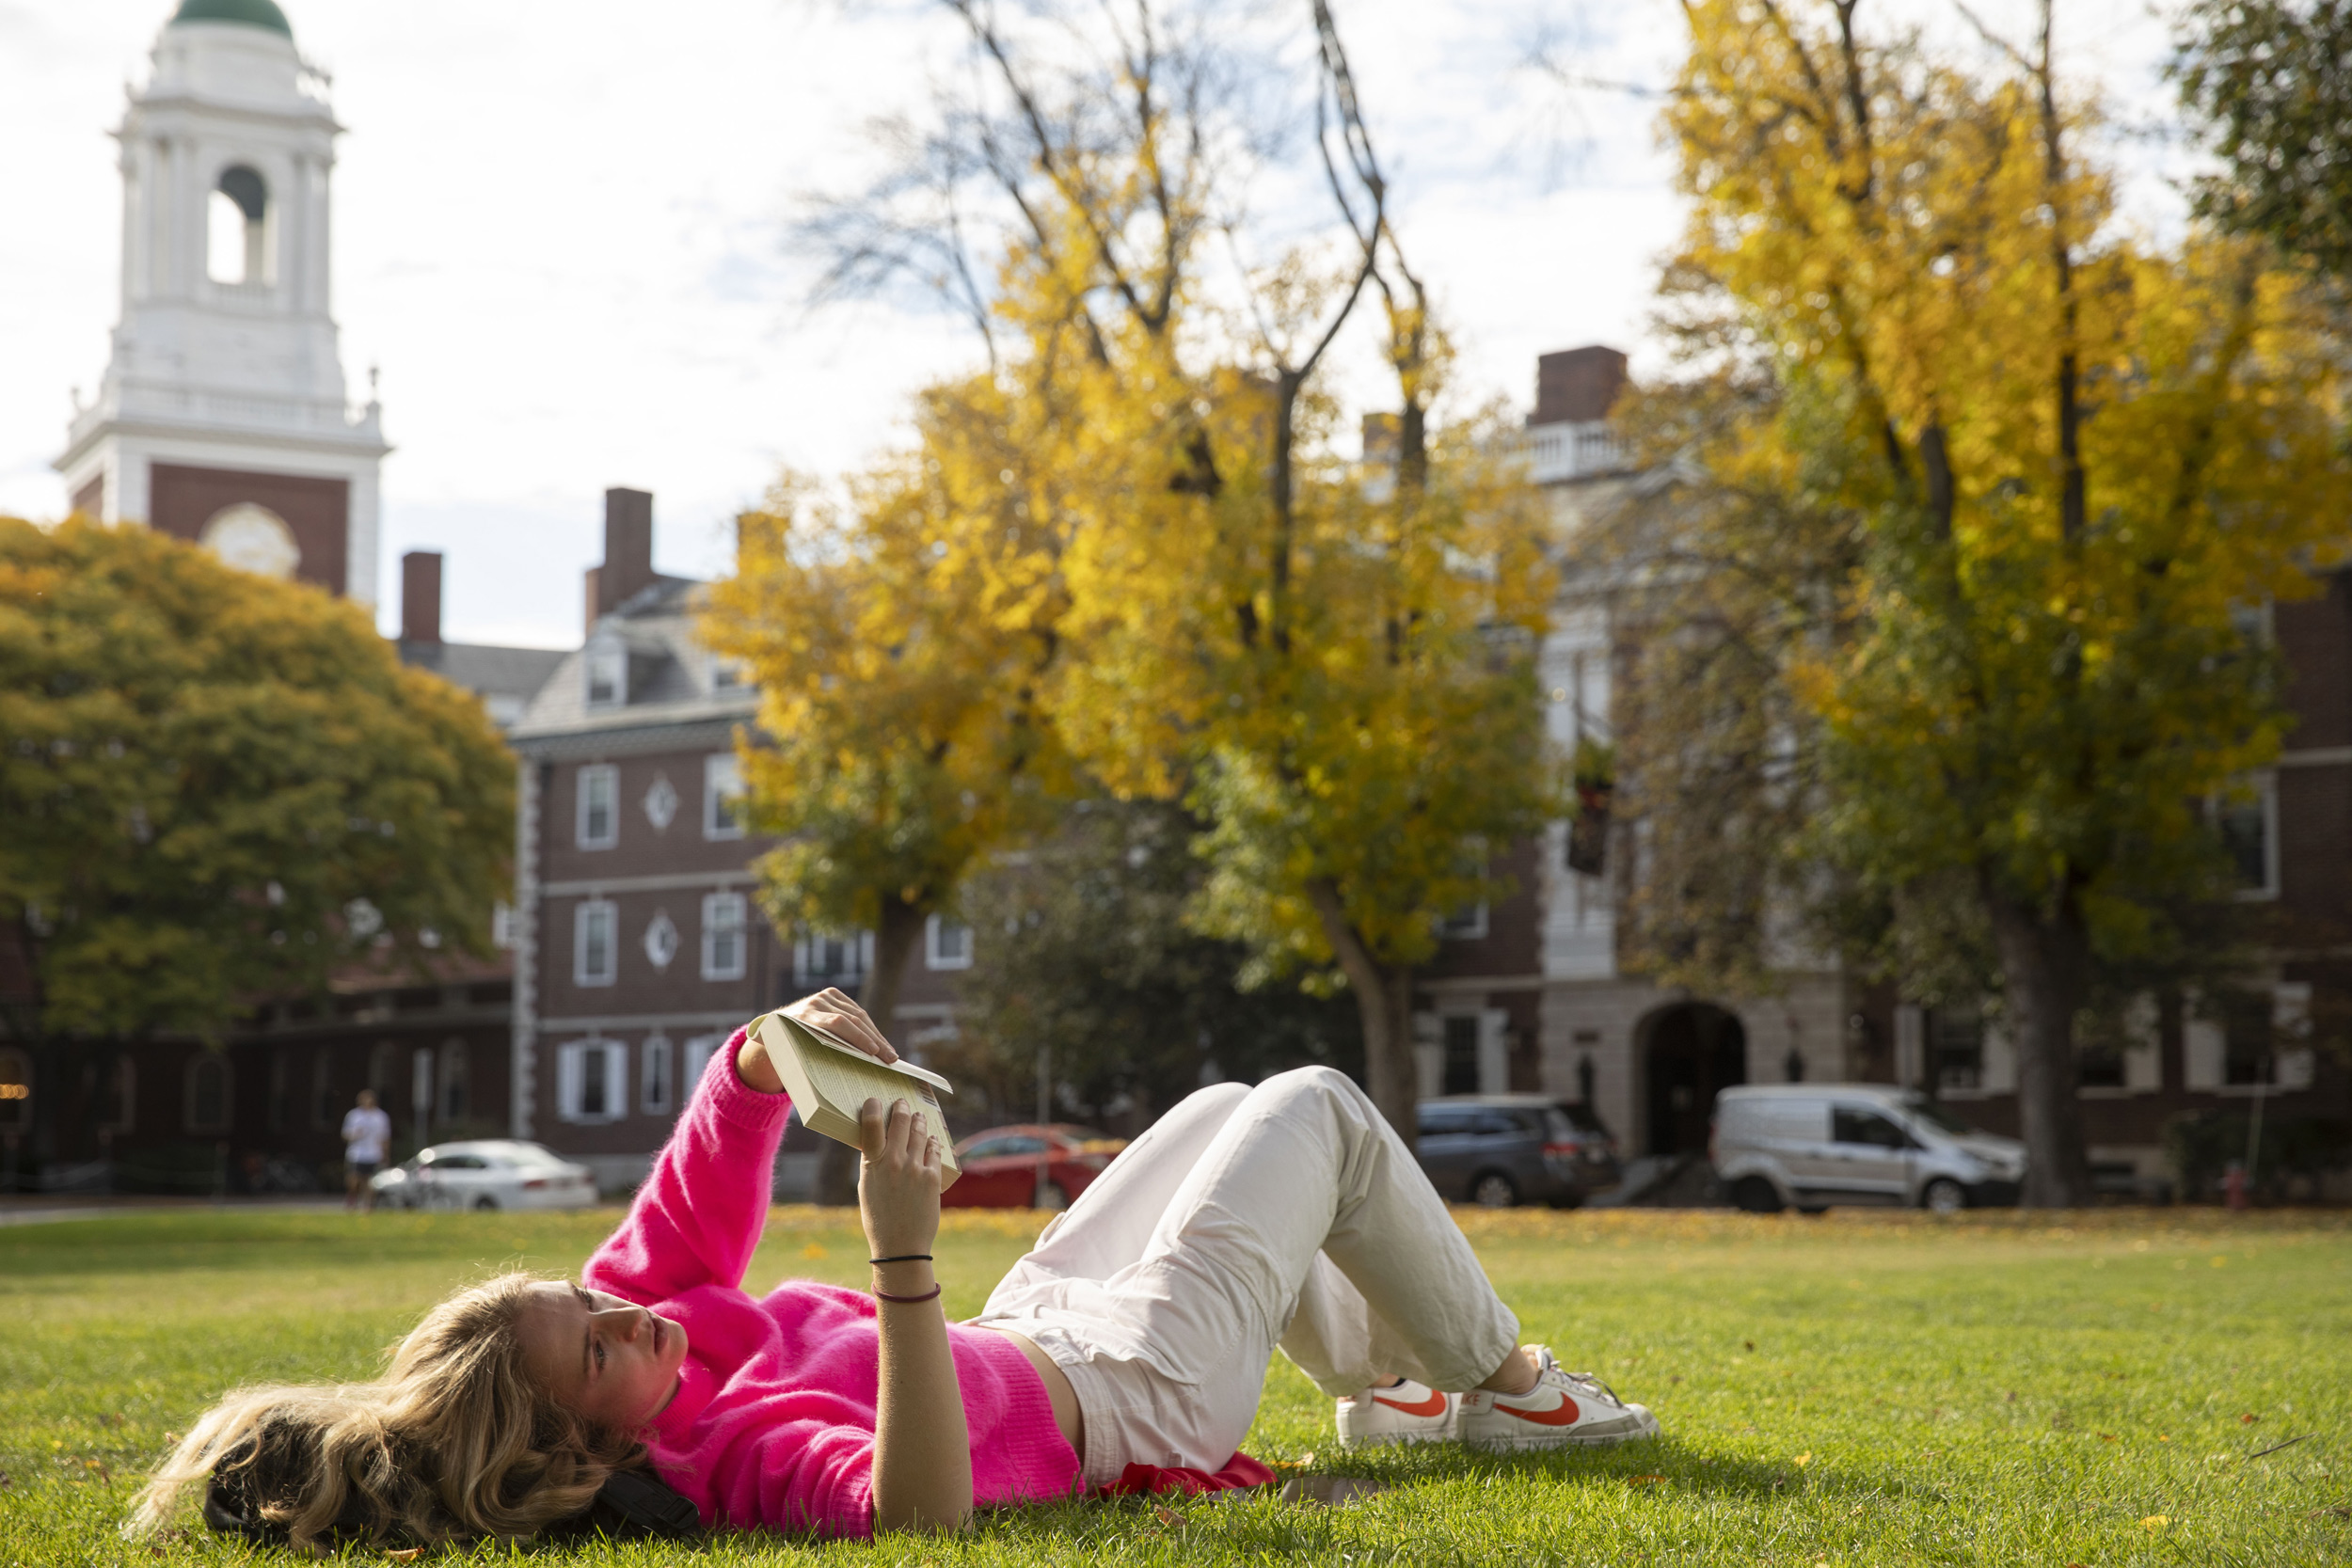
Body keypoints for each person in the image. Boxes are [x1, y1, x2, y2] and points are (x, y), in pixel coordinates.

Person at [133, 990, 1657, 1546]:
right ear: (589, 1443)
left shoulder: (643, 1335)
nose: (625, 1308)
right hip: (1125, 1400)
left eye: (587, 1295)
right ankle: (1519, 1391)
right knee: (1312, 1104)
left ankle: (1392, 1394)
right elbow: (912, 1510)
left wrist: (769, 1051)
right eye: (599, 1346)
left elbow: (703, 1157)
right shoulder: (728, 1451)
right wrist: (903, 1255)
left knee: (1211, 1116)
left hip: (1041, 1321)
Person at [341, 1089, 393, 1212]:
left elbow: (385, 1137)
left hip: (374, 1154)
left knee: (371, 1182)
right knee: (354, 1181)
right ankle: (352, 1199)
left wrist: (385, 1154)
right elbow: (345, 1135)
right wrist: (355, 1134)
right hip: (357, 1154)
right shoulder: (354, 1116)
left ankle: (368, 1207)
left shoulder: (380, 1117)